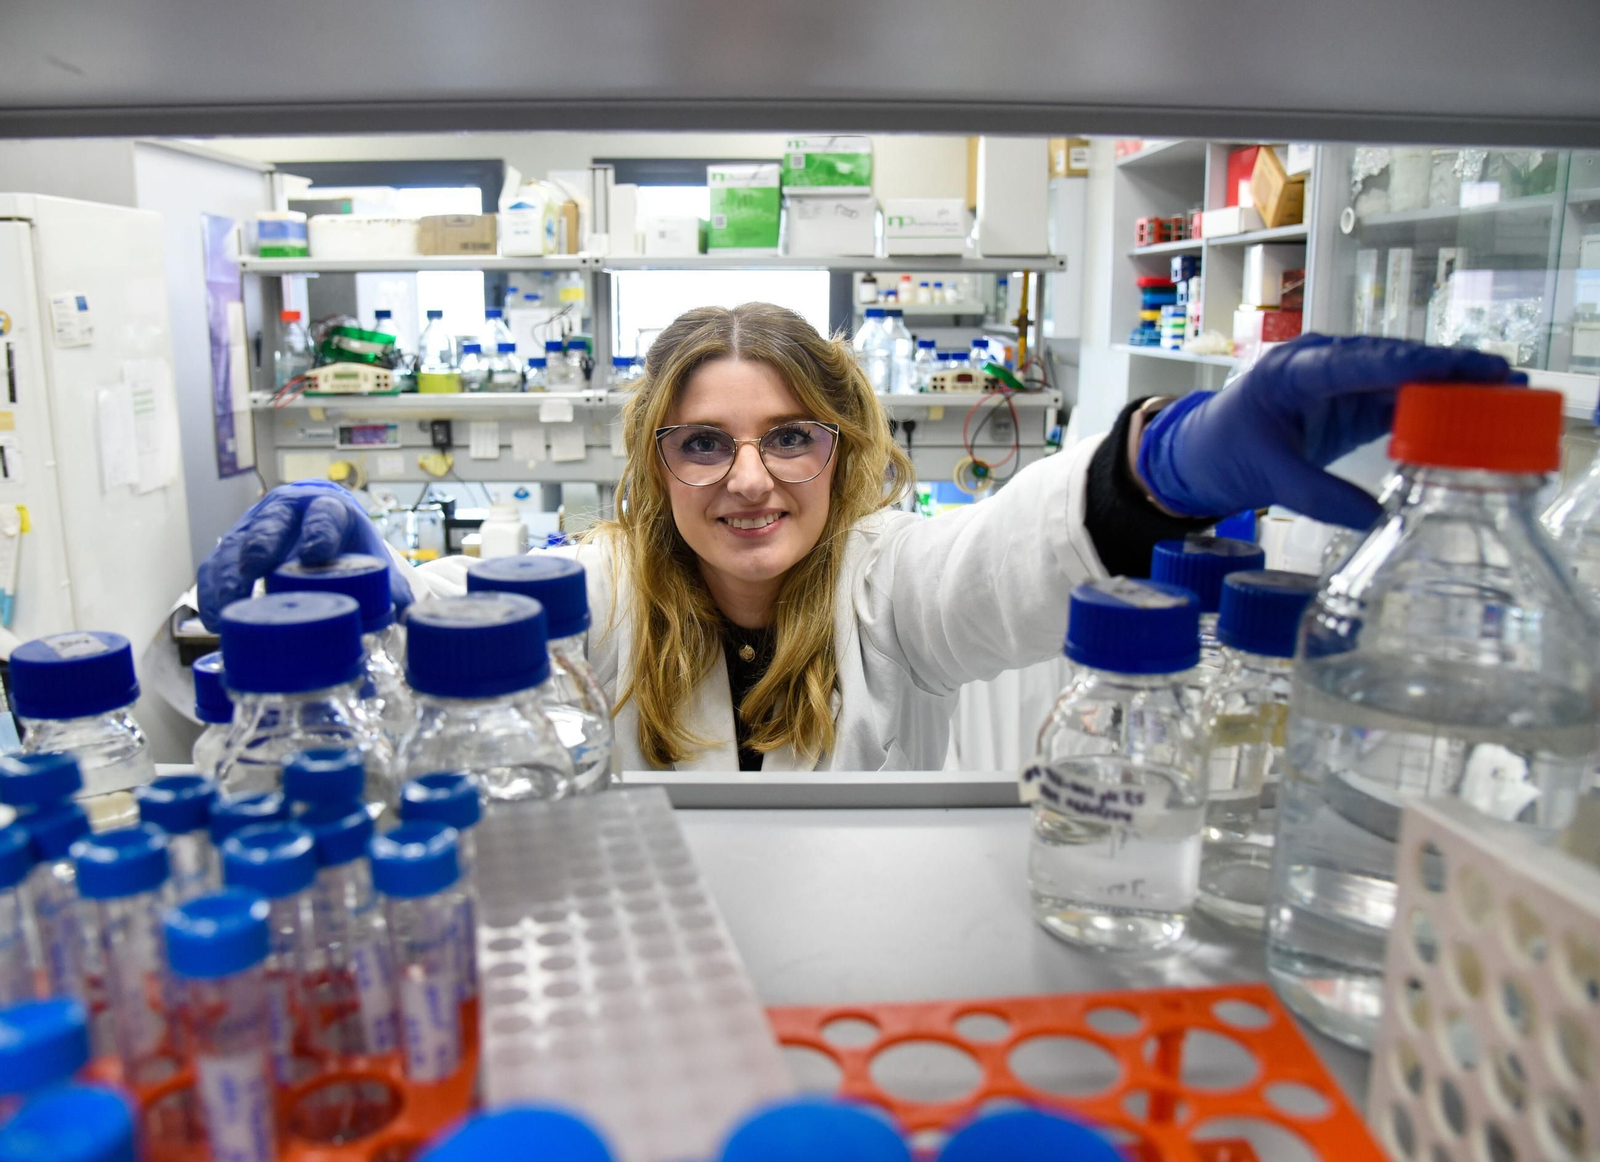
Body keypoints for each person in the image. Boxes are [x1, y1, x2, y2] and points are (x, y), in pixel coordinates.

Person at [196, 305, 1522, 771]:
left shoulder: (897, 581)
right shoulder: (596, 588)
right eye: (703, 441)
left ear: (844, 447)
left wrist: (1161, 459)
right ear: (657, 467)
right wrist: (366, 596)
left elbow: (1017, 551)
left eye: (792, 436)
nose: (751, 478)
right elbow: (464, 609)